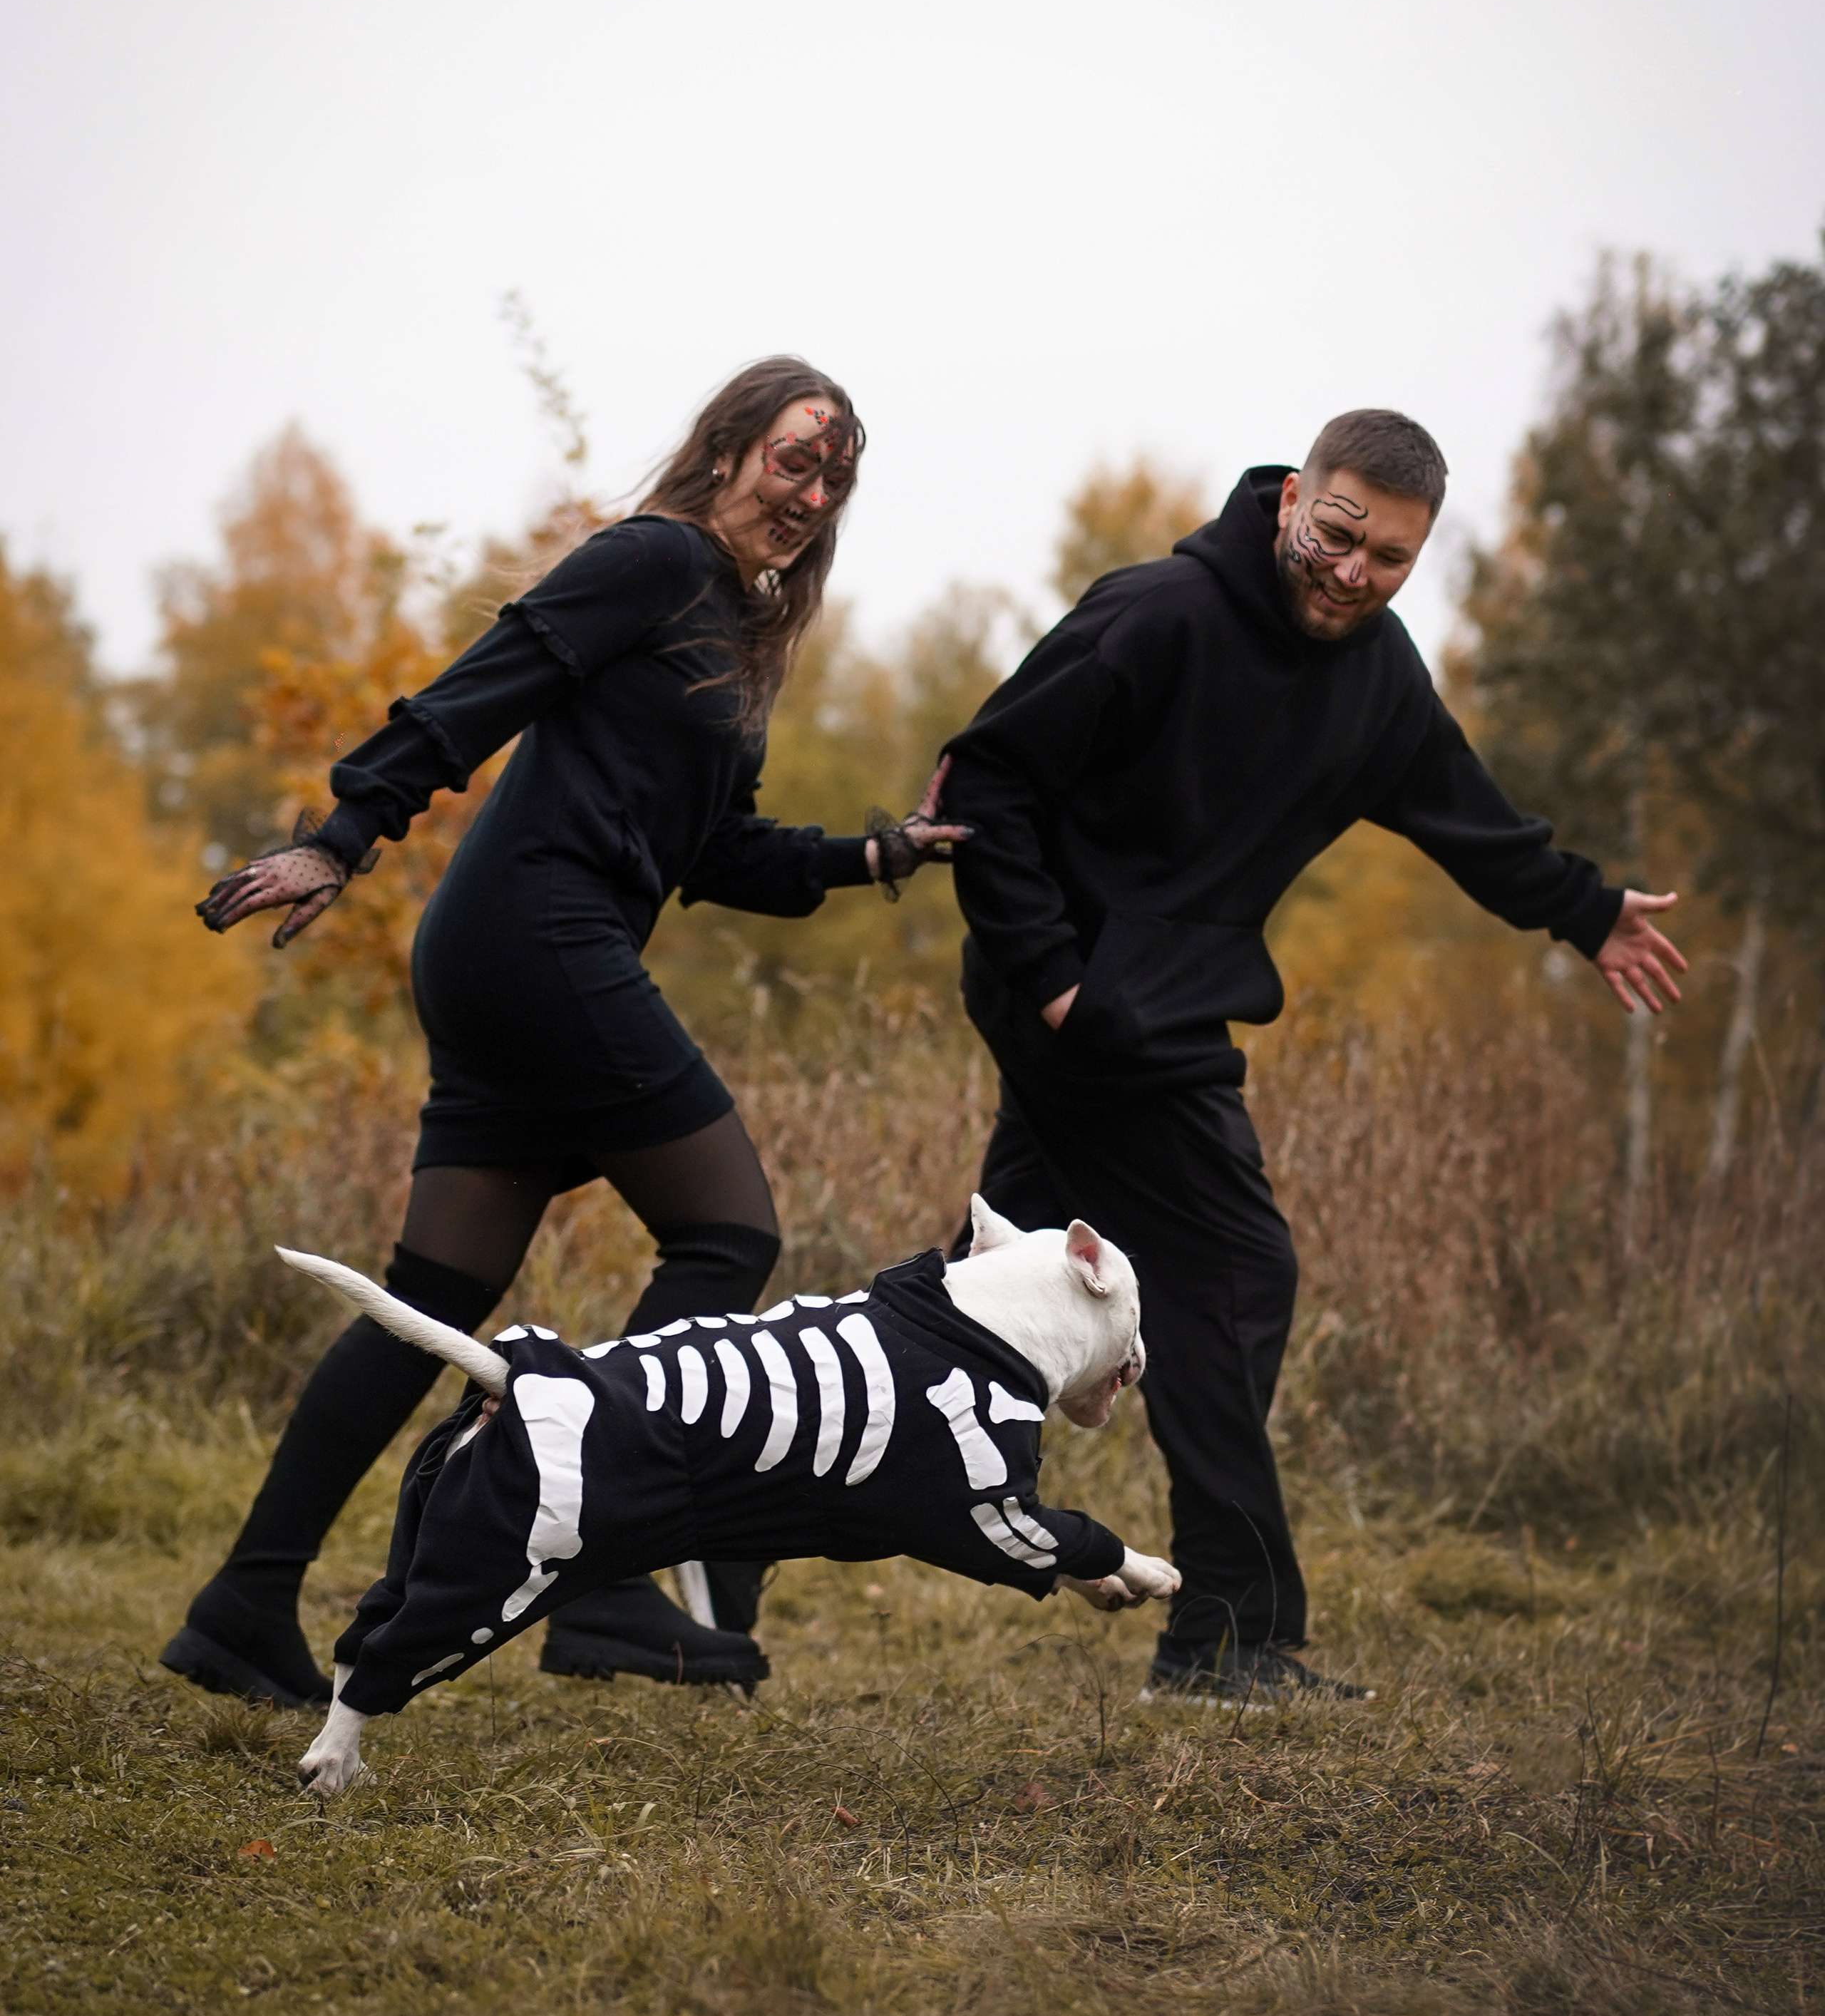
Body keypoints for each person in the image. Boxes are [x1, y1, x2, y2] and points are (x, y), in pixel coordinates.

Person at [163, 356, 965, 1709]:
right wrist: (346, 834)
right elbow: (486, 685)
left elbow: (718, 850)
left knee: (432, 1299)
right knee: (728, 1232)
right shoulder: (656, 559)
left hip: (516, 952)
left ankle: (246, 1601)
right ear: (727, 448)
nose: (810, 494)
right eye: (794, 459)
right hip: (536, 938)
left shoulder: (731, 625)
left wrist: (879, 853)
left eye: (834, 480)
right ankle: (595, 1575)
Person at [940, 409, 1685, 1707]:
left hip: (1159, 1006)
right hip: (1084, 1001)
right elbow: (980, 781)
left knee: (988, 1268)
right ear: (1294, 498)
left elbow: (1464, 812)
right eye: (1339, 535)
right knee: (1235, 1270)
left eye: (1389, 558)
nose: (1353, 572)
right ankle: (1223, 1635)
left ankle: (813, 1464)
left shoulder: (1377, 678)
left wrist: (1584, 907)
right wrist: (1056, 981)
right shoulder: (1157, 615)